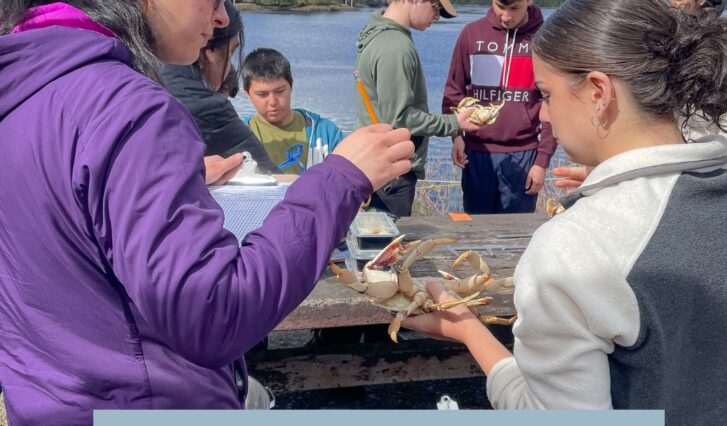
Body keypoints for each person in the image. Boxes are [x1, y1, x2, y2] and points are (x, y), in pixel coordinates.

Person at [0, 1, 415, 424]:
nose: (220, 18)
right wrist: (342, 179)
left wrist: (175, 179)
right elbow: (215, 311)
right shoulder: (127, 108)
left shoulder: (25, 88)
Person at [402, 0, 727, 423]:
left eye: (547, 94)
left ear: (598, 93)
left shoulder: (575, 245)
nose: (544, 113)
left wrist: (467, 328)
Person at [553, 0, 727, 189]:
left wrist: (724, 184)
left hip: (696, 180)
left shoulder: (722, 51)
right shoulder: (636, 34)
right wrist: (602, 170)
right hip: (640, 179)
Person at [353, 0, 481, 217]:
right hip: (391, 172)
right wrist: (454, 123)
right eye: (435, 7)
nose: (437, 16)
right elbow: (399, 119)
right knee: (390, 246)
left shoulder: (380, 36)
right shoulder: (395, 47)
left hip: (377, 163)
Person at [442, 0, 557, 214]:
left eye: (514, 9)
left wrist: (542, 161)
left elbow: (554, 103)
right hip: (476, 153)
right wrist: (456, 135)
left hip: (524, 154)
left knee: (515, 235)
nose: (506, 16)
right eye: (500, 7)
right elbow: (453, 92)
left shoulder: (546, 39)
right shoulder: (471, 33)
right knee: (476, 232)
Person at [161, 1, 280, 174]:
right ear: (210, 52)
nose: (230, 67)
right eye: (231, 51)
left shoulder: (144, 73)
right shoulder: (208, 108)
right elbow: (271, 177)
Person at [242, 48, 344, 175]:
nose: (272, 101)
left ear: (291, 86)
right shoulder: (238, 136)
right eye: (262, 94)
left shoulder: (326, 133)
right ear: (248, 94)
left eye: (280, 91)